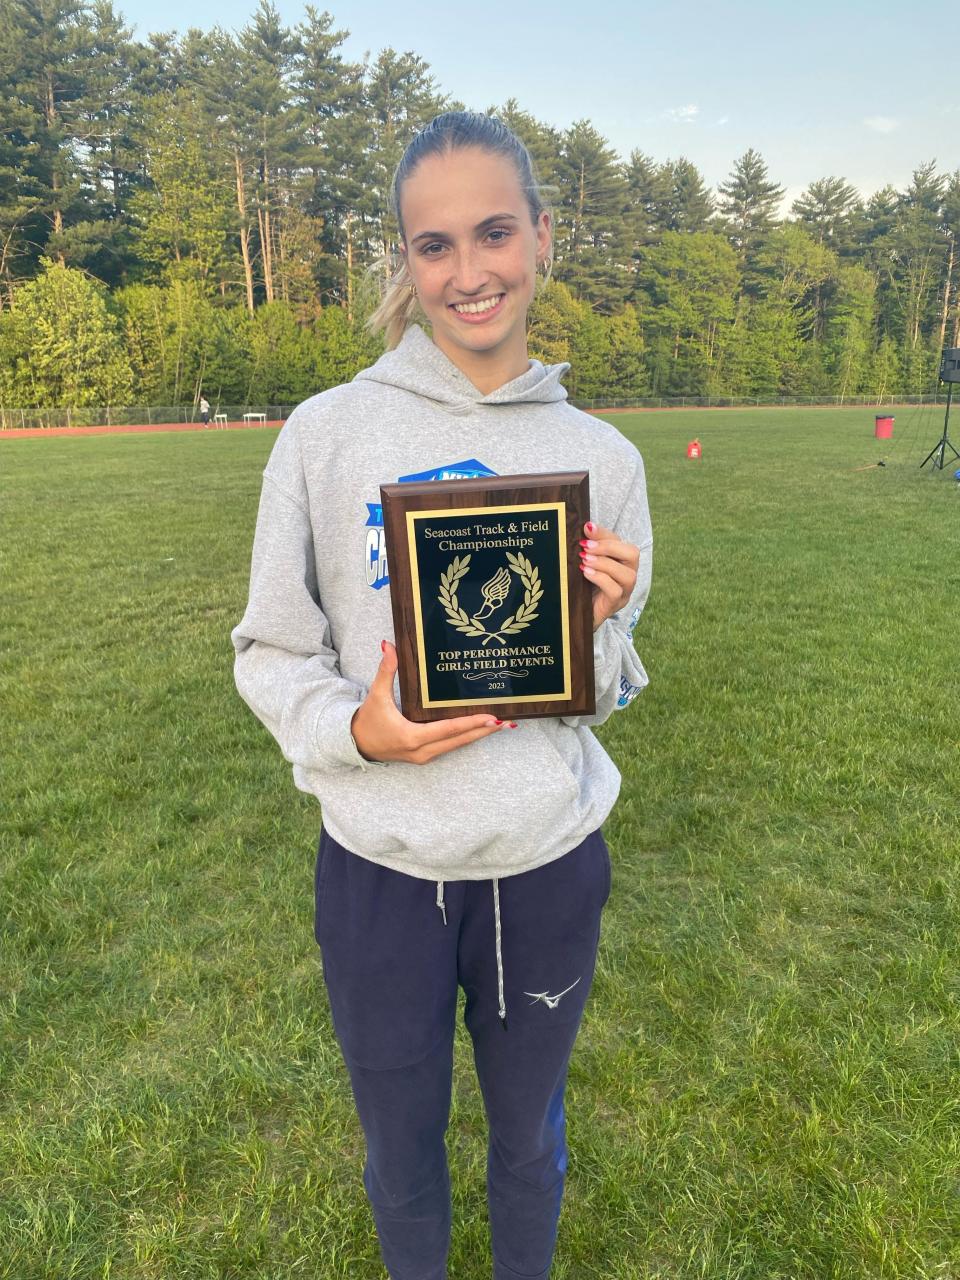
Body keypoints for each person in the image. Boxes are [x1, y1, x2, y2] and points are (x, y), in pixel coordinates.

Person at [231, 111, 652, 1280]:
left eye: (495, 233)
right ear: (404, 260)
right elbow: (270, 649)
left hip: (545, 861)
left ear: (543, 239)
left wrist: (602, 629)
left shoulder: (602, 458)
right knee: (400, 1153)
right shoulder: (325, 436)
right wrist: (355, 731)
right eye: (435, 245)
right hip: (380, 869)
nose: (470, 272)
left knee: (527, 1139)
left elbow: (605, 693)